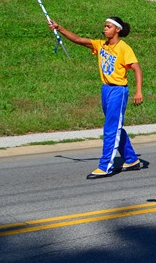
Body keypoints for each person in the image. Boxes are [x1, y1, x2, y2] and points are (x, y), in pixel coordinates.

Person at [48, 17, 143, 180]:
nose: (105, 29)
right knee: (115, 125)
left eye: (108, 27)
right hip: (106, 89)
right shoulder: (101, 45)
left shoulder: (124, 48)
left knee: (111, 128)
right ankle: (131, 159)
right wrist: (60, 28)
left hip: (118, 91)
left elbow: (137, 69)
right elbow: (78, 39)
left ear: (117, 30)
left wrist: (138, 92)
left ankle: (105, 166)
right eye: (105, 26)